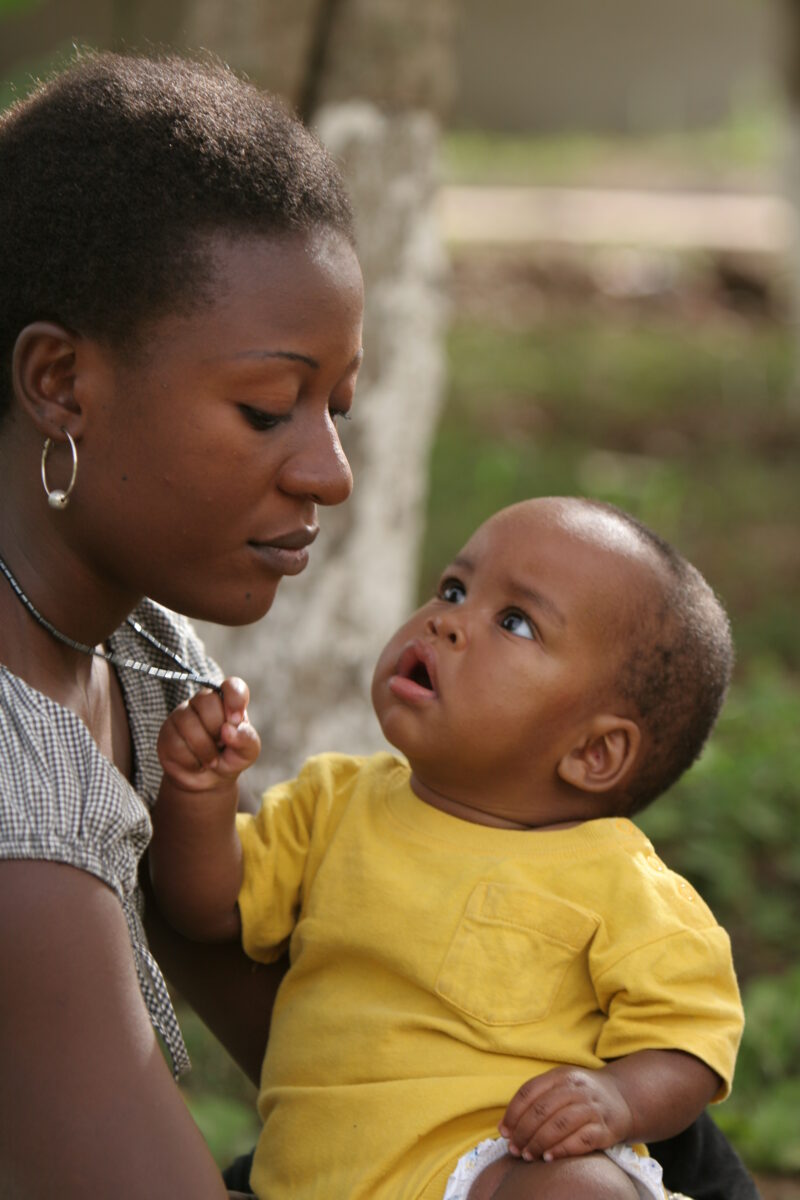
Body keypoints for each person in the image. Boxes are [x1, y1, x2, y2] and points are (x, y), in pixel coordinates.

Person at [150, 496, 749, 1200]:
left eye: (514, 622)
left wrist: (615, 1098)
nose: (447, 621)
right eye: (454, 589)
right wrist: (199, 795)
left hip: (490, 1173)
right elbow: (206, 908)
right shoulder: (335, 802)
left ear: (595, 751)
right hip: (312, 1182)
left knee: (579, 1190)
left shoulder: (620, 879)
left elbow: (692, 1039)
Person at [0, 51, 363, 1199]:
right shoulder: (20, 822)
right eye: (267, 408)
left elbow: (356, 1072)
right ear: (60, 381)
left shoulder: (141, 659)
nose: (328, 472)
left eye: (334, 407)